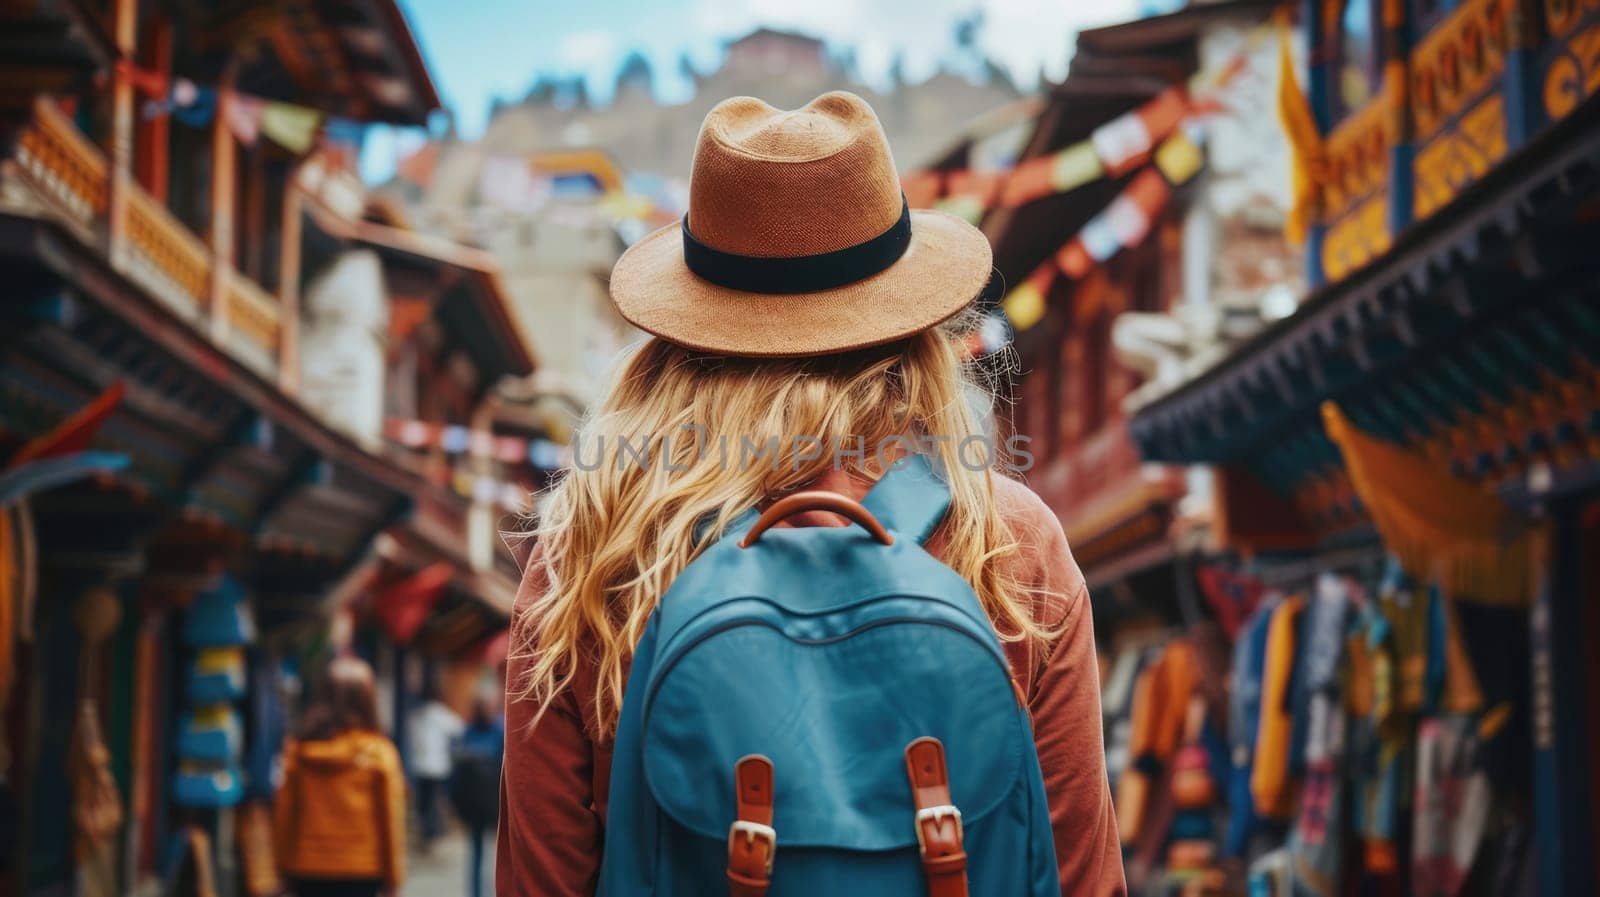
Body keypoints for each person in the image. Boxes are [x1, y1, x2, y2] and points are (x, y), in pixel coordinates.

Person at [498, 91, 1126, 896]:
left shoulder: (594, 547)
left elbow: (537, 879)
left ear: (680, 328)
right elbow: (1082, 876)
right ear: (914, 320)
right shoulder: (1007, 540)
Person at [274, 656, 405, 897]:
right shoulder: (379, 752)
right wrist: (394, 878)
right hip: (363, 869)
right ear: (368, 700)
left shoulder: (298, 752)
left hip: (306, 868)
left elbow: (285, 814)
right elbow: (391, 818)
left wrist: (281, 869)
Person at [449, 695, 505, 897]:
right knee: (484, 850)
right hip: (484, 802)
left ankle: (484, 892)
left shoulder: (471, 732)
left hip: (484, 802)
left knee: (486, 851)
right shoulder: (497, 731)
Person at [407, 683, 463, 852]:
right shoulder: (441, 714)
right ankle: (432, 833)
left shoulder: (415, 715)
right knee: (434, 800)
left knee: (423, 802)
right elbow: (459, 728)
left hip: (420, 765)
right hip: (438, 766)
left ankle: (426, 832)